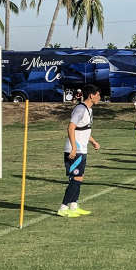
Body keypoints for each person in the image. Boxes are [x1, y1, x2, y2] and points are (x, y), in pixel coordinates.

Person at [58, 84, 101, 217]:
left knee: (79, 178)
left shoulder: (89, 110)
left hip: (82, 149)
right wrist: (74, 148)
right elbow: (71, 128)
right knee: (76, 178)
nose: (99, 97)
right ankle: (63, 208)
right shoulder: (80, 109)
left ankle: (73, 206)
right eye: (98, 95)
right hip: (74, 149)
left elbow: (83, 129)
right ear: (91, 95)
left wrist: (93, 141)